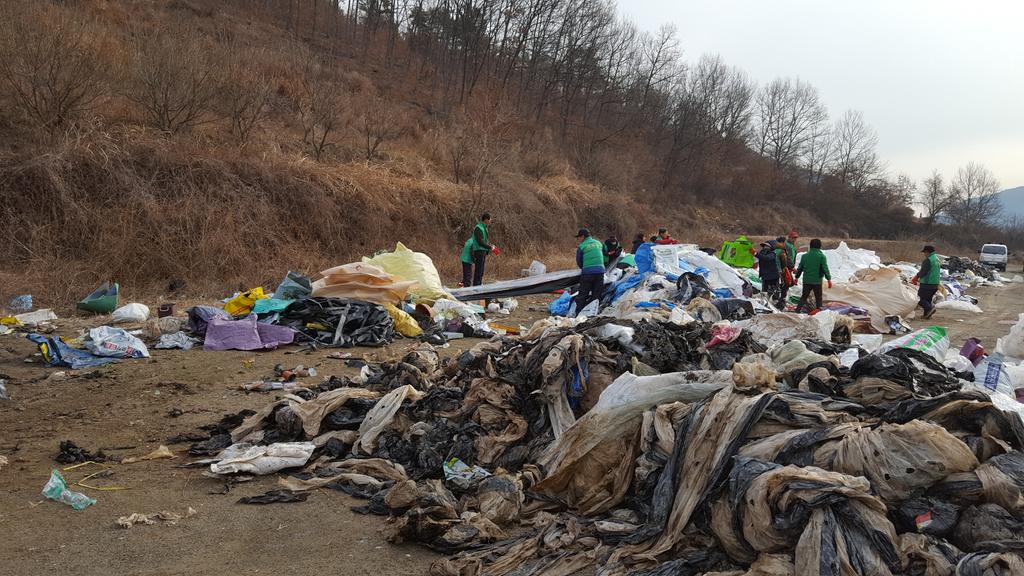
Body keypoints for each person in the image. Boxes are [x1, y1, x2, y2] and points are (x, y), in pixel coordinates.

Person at [459, 212, 498, 287]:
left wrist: (490, 246)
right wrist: (490, 247)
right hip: (479, 252)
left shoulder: (484, 228)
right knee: (478, 271)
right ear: (486, 220)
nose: (490, 221)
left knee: (481, 271)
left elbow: (484, 241)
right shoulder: (478, 228)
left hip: (483, 252)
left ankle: (478, 285)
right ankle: (476, 286)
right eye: (490, 220)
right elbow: (480, 242)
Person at [795, 238, 831, 313]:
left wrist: (796, 278)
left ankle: (797, 310)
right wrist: (829, 279)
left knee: (804, 296)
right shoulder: (822, 256)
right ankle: (819, 312)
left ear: (810, 246)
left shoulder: (804, 256)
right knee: (818, 298)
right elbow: (825, 269)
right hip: (817, 281)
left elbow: (800, 268)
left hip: (806, 280)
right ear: (819, 246)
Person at [574, 228, 605, 315]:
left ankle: (578, 315)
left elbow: (579, 261)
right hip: (600, 272)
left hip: (588, 273)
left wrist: (585, 268)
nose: (578, 239)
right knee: (596, 295)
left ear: (583, 236)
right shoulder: (599, 243)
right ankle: (592, 315)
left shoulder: (582, 246)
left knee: (583, 294)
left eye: (579, 237)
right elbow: (603, 255)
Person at [911, 245, 941, 319]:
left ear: (927, 252)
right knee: (927, 299)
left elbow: (923, 271)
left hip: (927, 283)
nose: (924, 254)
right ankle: (926, 315)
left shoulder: (928, 260)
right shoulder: (936, 259)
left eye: (924, 252)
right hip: (935, 284)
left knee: (919, 299)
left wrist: (916, 277)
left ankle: (930, 308)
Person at [774, 236, 793, 307]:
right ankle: (781, 300)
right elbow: (785, 261)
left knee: (776, 285)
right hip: (781, 271)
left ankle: (776, 300)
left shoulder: (773, 249)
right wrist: (789, 267)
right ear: (782, 242)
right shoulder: (782, 251)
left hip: (773, 271)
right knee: (785, 285)